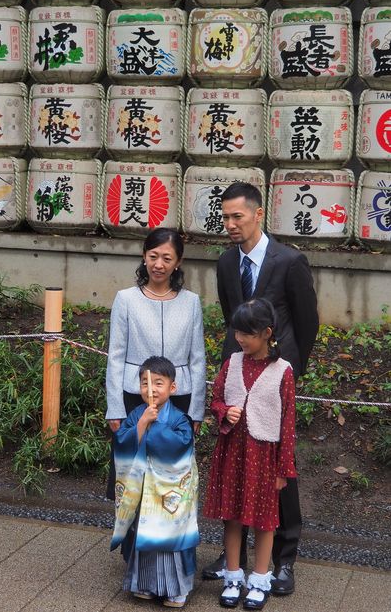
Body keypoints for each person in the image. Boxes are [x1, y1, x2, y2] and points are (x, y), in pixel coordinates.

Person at [202, 182, 319, 596]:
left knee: (276, 467)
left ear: (258, 213)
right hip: (237, 376)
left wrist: (288, 369)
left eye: (238, 216)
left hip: (274, 378)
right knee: (237, 464)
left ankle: (283, 560)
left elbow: (307, 323)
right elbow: (230, 316)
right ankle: (234, 557)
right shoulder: (225, 262)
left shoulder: (289, 261)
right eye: (226, 217)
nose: (231, 224)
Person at [203, 299, 297, 610]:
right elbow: (216, 399)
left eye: (248, 334)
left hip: (264, 456)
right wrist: (224, 412)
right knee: (231, 515)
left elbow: (287, 424)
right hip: (233, 453)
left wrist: (283, 469)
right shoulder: (232, 363)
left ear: (267, 333)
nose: (240, 339)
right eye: (237, 332)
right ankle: (233, 576)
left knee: (264, 520)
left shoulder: (283, 372)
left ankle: (259, 579)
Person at [110, 356, 200, 609]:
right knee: (145, 535)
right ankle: (146, 585)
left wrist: (157, 424)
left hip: (169, 493)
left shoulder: (179, 418)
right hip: (145, 492)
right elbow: (122, 442)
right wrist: (141, 423)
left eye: (158, 383)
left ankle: (177, 589)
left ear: (173, 388)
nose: (151, 390)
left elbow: (182, 445)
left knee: (172, 539)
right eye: (145, 384)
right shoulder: (137, 414)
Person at [105, 227, 206, 439]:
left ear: (178, 262)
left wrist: (196, 410)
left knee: (172, 464)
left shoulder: (191, 302)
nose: (159, 265)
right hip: (134, 392)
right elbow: (115, 356)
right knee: (131, 461)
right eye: (153, 256)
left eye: (167, 258)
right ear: (144, 256)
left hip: (178, 394)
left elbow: (197, 359)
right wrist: (115, 407)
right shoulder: (126, 299)